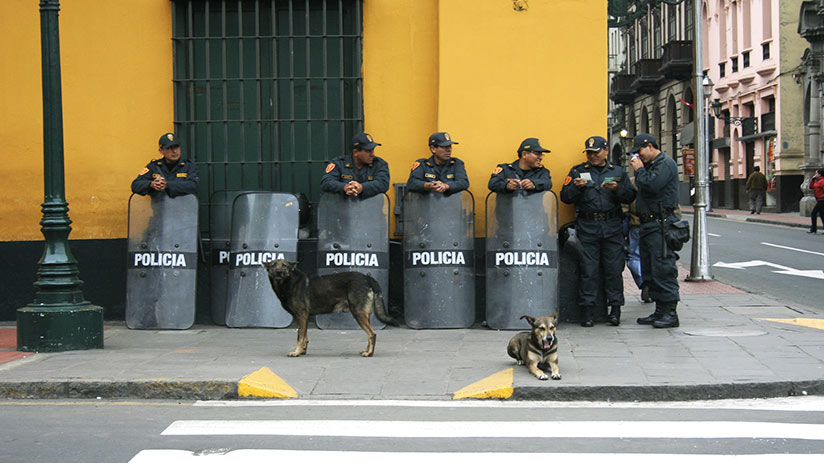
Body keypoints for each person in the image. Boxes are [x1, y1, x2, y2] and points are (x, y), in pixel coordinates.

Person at [560, 136, 636, 327]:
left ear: (606, 151)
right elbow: (565, 197)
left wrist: (618, 189)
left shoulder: (617, 171)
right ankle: (587, 311)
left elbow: (630, 196)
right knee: (588, 270)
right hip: (587, 226)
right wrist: (576, 189)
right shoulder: (578, 171)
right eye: (589, 153)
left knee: (614, 269)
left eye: (596, 152)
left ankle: (615, 309)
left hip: (612, 227)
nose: (593, 156)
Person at [629, 133, 681, 329]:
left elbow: (652, 185)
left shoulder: (664, 164)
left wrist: (640, 171)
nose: (637, 157)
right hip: (649, 225)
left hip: (662, 225)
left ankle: (670, 312)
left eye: (639, 151)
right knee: (651, 270)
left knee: (664, 268)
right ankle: (660, 310)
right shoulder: (652, 166)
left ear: (650, 146)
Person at [320, 132, 390, 199]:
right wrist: (345, 187)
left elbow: (383, 183)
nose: (372, 154)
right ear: (355, 152)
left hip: (371, 209)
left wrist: (361, 187)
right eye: (368, 151)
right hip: (344, 208)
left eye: (373, 150)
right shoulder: (338, 163)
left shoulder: (379, 164)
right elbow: (326, 182)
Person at [131, 133, 199, 197]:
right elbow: (135, 185)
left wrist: (167, 185)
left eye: (176, 147)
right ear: (161, 151)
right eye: (169, 148)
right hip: (159, 207)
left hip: (183, 207)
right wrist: (151, 184)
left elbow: (194, 186)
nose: (174, 151)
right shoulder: (154, 166)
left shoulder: (189, 166)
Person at [809, 168, 824, 234]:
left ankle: (813, 229)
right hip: (819, 199)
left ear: (820, 174)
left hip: (822, 200)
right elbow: (811, 186)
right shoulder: (817, 181)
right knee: (822, 214)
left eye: (816, 173)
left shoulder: (822, 181)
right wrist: (812, 179)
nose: (815, 174)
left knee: (813, 213)